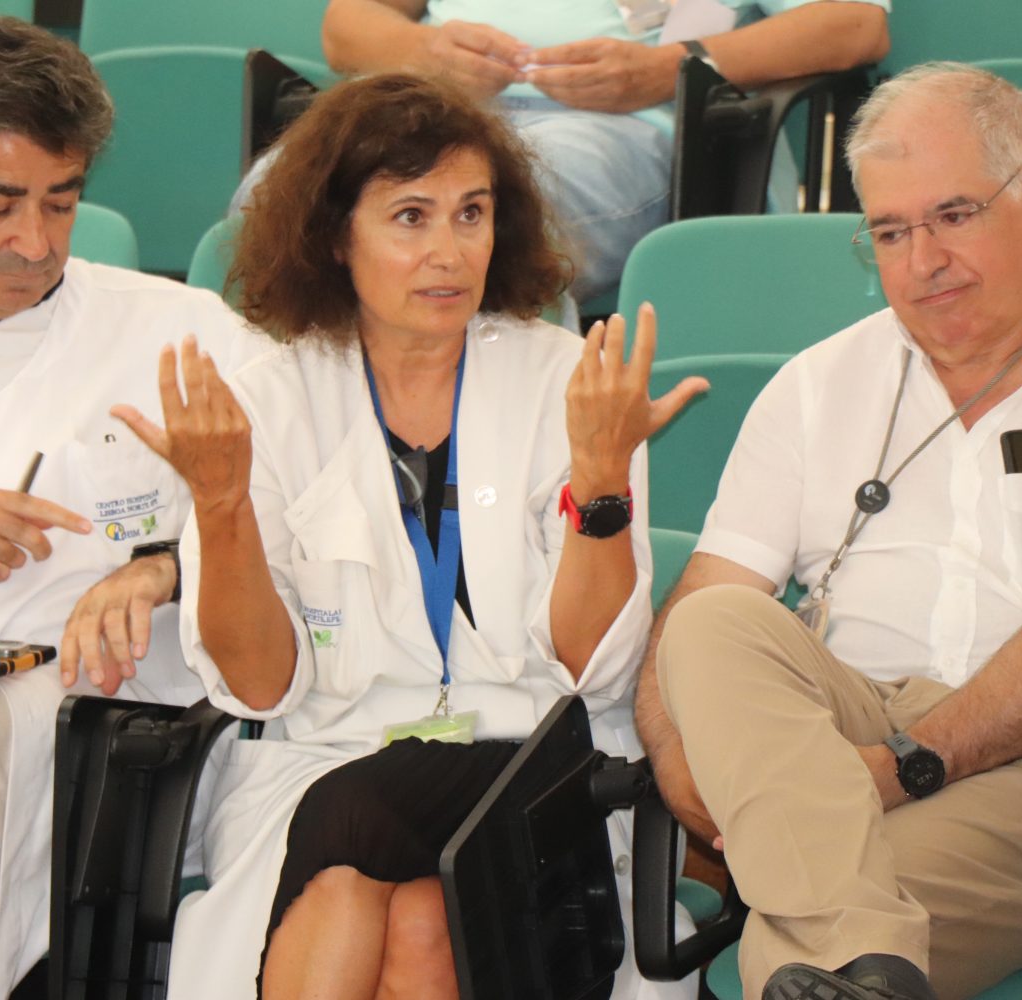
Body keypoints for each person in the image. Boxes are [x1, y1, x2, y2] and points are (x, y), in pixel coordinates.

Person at [112, 73, 704, 998]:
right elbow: (260, 685)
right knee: (418, 922)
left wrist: (599, 484)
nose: (448, 252)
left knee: (361, 835)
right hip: (324, 757)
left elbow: (593, 667)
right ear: (335, 235)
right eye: (411, 217)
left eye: (472, 213)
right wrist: (221, 509)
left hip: (533, 761)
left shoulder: (570, 383)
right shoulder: (268, 401)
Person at [635, 60, 1022, 1000]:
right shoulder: (818, 383)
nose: (923, 261)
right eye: (890, 231)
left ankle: (834, 926)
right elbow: (700, 613)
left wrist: (895, 770)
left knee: (801, 931)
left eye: (954, 215)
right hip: (850, 733)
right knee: (712, 623)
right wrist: (683, 769)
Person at [0, 17, 247, 1000]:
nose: (33, 243)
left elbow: (300, 522)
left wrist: (162, 566)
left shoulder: (181, 335)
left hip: (66, 754)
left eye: (61, 202)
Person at [232, 0, 889, 308]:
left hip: (612, 124)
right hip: (434, 109)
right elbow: (346, 23)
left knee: (495, 212)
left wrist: (667, 67)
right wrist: (425, 53)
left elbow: (855, 23)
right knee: (271, 196)